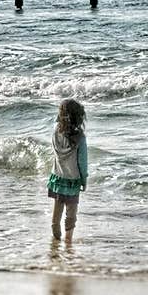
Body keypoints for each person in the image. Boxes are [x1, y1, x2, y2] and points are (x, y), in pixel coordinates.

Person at [46, 99, 88, 242]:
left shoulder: (55, 132)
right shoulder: (80, 138)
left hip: (57, 176)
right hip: (73, 180)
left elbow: (56, 121)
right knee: (71, 211)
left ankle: (55, 235)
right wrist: (84, 180)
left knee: (57, 207)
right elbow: (82, 163)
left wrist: (62, 113)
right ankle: (68, 240)